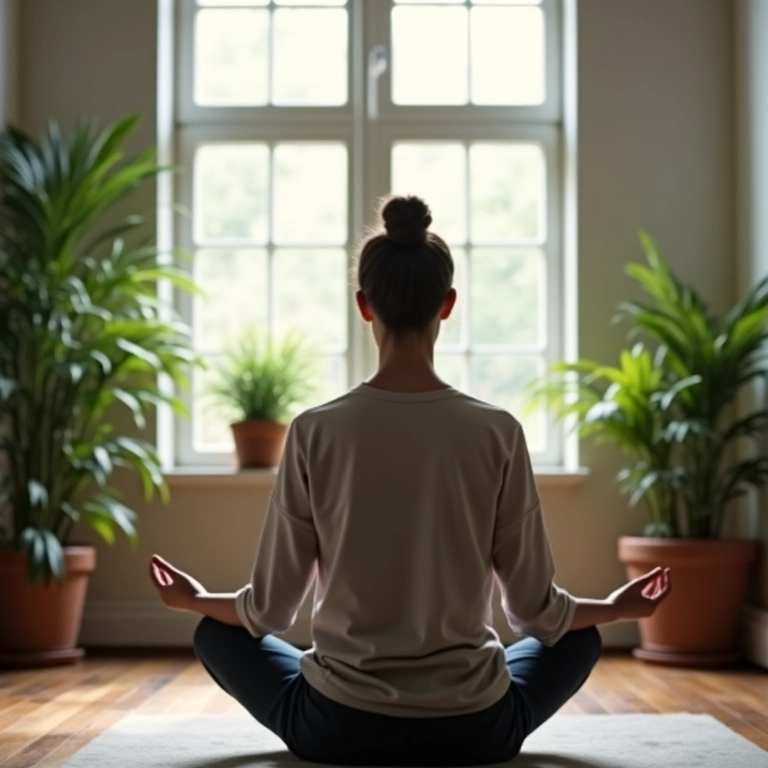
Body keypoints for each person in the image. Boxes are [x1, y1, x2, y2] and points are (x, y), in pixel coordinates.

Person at [149, 195, 672, 766]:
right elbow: (537, 615)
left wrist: (196, 598)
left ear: (363, 306)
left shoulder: (312, 431)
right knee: (581, 637)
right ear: (447, 305)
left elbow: (269, 612)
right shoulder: (497, 431)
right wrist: (616, 609)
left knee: (213, 633)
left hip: (338, 728)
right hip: (475, 730)